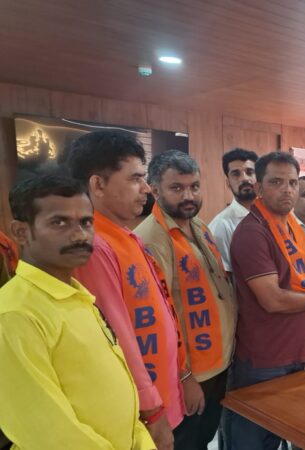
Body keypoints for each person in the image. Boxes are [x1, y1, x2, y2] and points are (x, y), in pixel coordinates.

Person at [0, 174, 153, 449]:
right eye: (59, 222)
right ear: (21, 232)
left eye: (86, 222)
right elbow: (49, 434)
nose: (80, 235)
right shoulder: (14, 314)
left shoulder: (76, 294)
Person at [222, 151, 305, 449]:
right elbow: (272, 300)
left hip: (298, 352)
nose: (287, 190)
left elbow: (299, 278)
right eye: (276, 182)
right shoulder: (252, 232)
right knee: (253, 441)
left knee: (281, 435)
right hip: (265, 358)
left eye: (292, 183)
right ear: (258, 187)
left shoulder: (291, 226)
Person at [67, 130, 184, 449]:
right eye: (135, 178)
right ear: (98, 185)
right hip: (140, 414)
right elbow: (117, 335)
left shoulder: (124, 236)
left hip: (158, 398)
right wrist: (153, 411)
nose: (146, 188)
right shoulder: (95, 247)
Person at [136, 151, 237, 450]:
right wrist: (185, 378)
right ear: (155, 190)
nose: (188, 195)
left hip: (217, 364)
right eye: (177, 188)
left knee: (204, 438)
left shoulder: (199, 226)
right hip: (191, 375)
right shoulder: (152, 238)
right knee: (189, 442)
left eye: (194, 186)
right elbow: (159, 316)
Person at [208, 148, 258, 274]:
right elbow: (224, 276)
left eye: (250, 172)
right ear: (228, 183)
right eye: (236, 174)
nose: (244, 178)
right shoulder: (221, 225)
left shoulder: (271, 216)